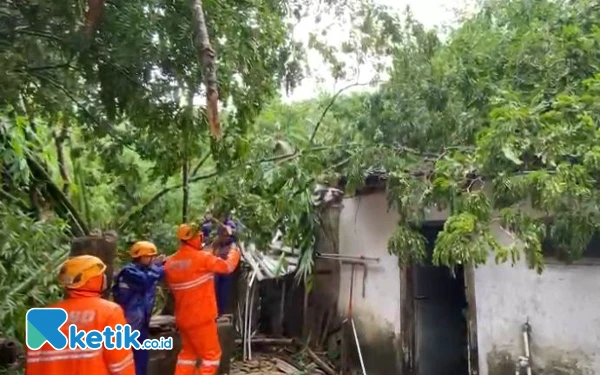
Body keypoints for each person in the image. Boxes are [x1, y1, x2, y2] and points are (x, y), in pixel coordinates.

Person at [26, 255, 135, 375]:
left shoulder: (39, 319)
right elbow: (121, 365)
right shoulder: (110, 312)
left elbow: (34, 367)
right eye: (101, 274)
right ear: (92, 280)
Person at [164, 223, 240, 375]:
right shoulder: (202, 258)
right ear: (194, 238)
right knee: (211, 355)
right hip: (202, 318)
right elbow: (227, 267)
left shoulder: (170, 263)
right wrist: (235, 252)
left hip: (183, 318)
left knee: (188, 354)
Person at [112, 241, 165, 375]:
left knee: (142, 359)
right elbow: (146, 280)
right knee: (128, 360)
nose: (152, 259)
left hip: (141, 323)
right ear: (140, 257)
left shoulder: (146, 270)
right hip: (128, 324)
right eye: (149, 256)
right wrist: (158, 266)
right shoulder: (129, 272)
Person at [210, 221, 238, 316]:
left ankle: (225, 311)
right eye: (222, 235)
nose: (224, 237)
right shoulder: (216, 244)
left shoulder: (233, 245)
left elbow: (231, 262)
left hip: (228, 272)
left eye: (226, 235)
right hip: (217, 271)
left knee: (225, 292)